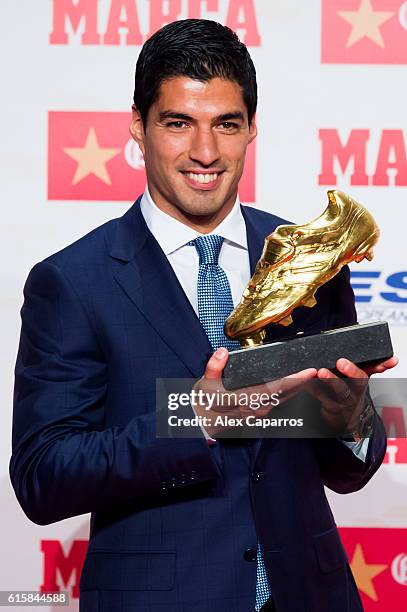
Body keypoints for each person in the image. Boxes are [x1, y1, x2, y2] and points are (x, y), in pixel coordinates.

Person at [10, 19, 397, 612]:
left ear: (251, 129)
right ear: (138, 128)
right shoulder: (73, 282)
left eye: (226, 124)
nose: (206, 152)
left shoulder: (311, 261)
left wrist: (350, 419)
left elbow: (344, 473)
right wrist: (196, 417)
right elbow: (43, 476)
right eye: (178, 124)